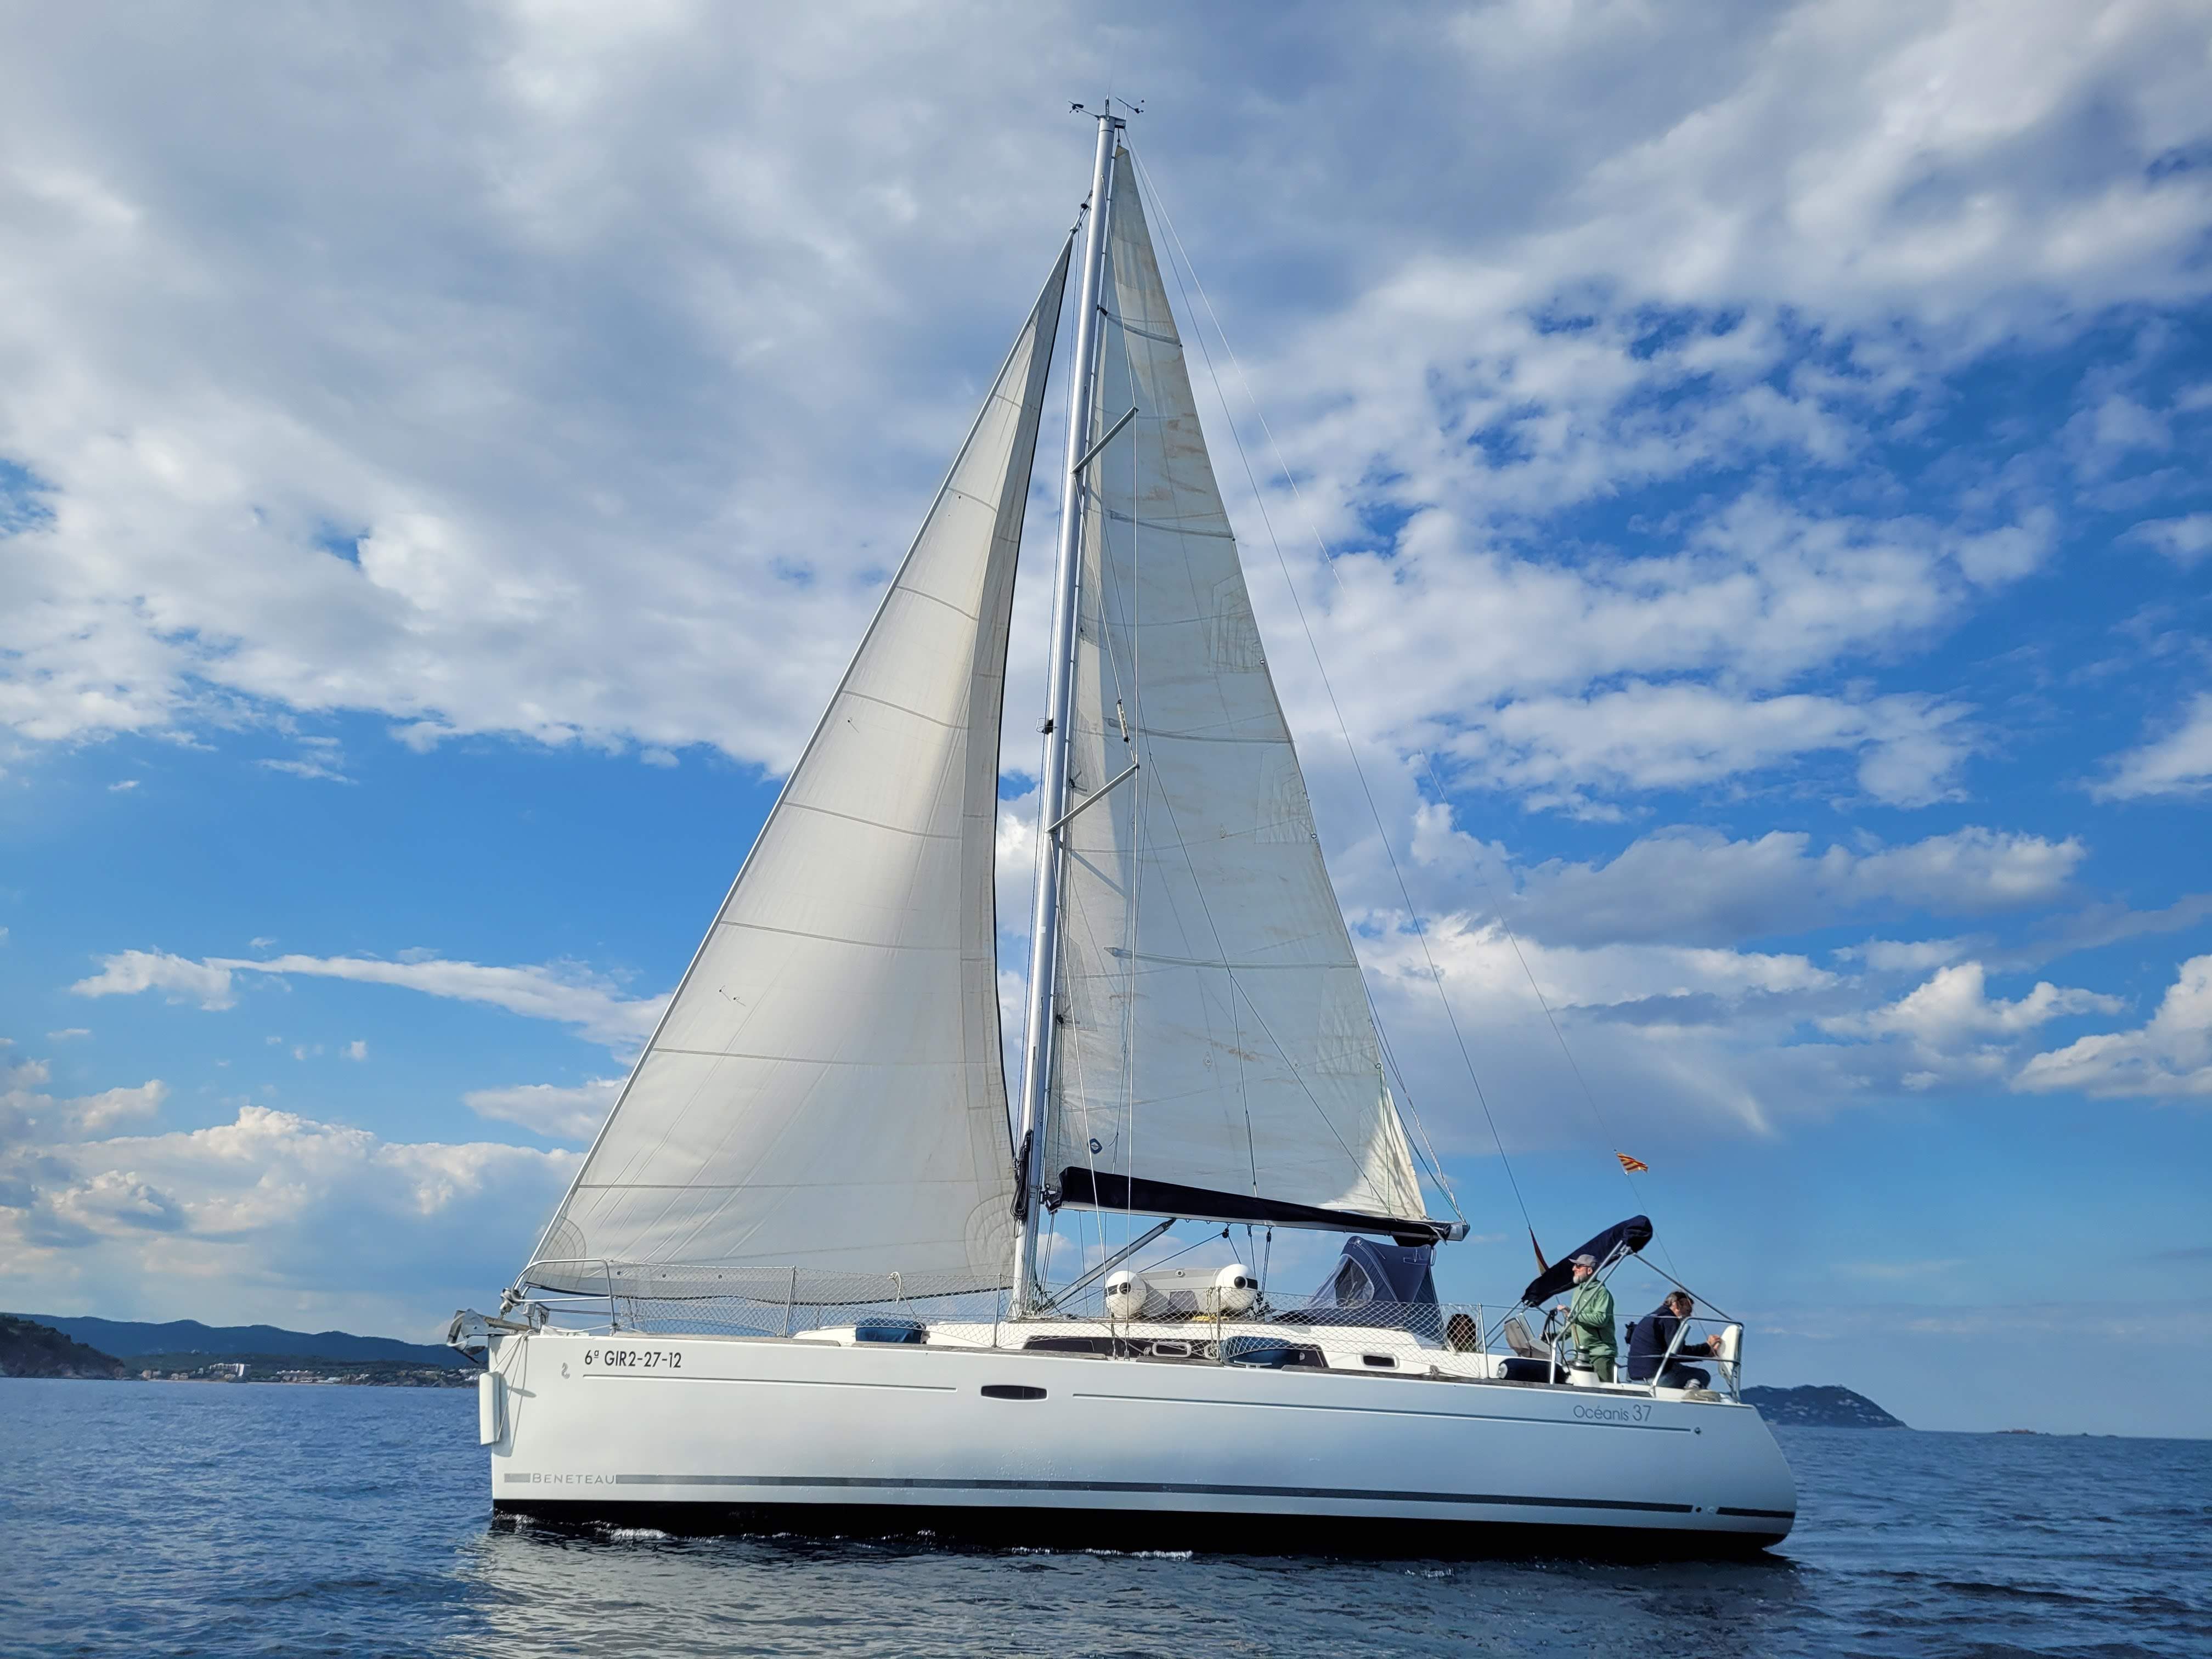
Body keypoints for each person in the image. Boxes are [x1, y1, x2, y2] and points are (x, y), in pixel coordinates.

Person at [1626, 1290, 1722, 1389]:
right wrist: (1707, 1348)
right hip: (1656, 1378)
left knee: (1678, 1368)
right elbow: (1678, 1354)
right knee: (1702, 1375)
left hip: (1636, 1378)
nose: (1690, 1316)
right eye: (1688, 1310)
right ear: (1678, 1305)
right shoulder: (1670, 1319)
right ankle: (1691, 1395)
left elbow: (1673, 1354)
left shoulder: (1653, 1317)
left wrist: (1705, 1352)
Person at [1554, 1253, 1616, 1382]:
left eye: (1578, 1266)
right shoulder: (1578, 1291)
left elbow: (1601, 1319)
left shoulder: (1602, 1293)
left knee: (1604, 1393)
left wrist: (1573, 1314)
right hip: (1581, 1355)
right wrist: (1554, 1336)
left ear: (1589, 1270)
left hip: (1600, 1355)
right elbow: (1574, 1324)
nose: (1574, 1269)